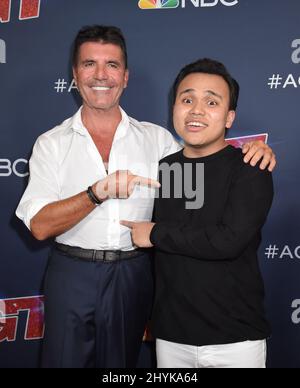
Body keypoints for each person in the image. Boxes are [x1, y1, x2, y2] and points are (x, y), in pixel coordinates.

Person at [16, 25, 275, 369]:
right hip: (71, 272)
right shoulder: (51, 142)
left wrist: (254, 151)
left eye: (112, 65)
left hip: (134, 273)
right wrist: (97, 192)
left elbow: (206, 170)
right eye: (89, 64)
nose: (101, 75)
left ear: (125, 76)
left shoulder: (159, 142)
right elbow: (39, 226)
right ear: (75, 75)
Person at [121, 58, 274, 368]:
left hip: (235, 338)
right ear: (174, 107)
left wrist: (154, 233)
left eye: (212, 101)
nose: (196, 110)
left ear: (229, 117)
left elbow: (227, 241)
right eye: (187, 99)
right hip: (172, 337)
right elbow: (183, 237)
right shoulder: (168, 168)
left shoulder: (250, 167)